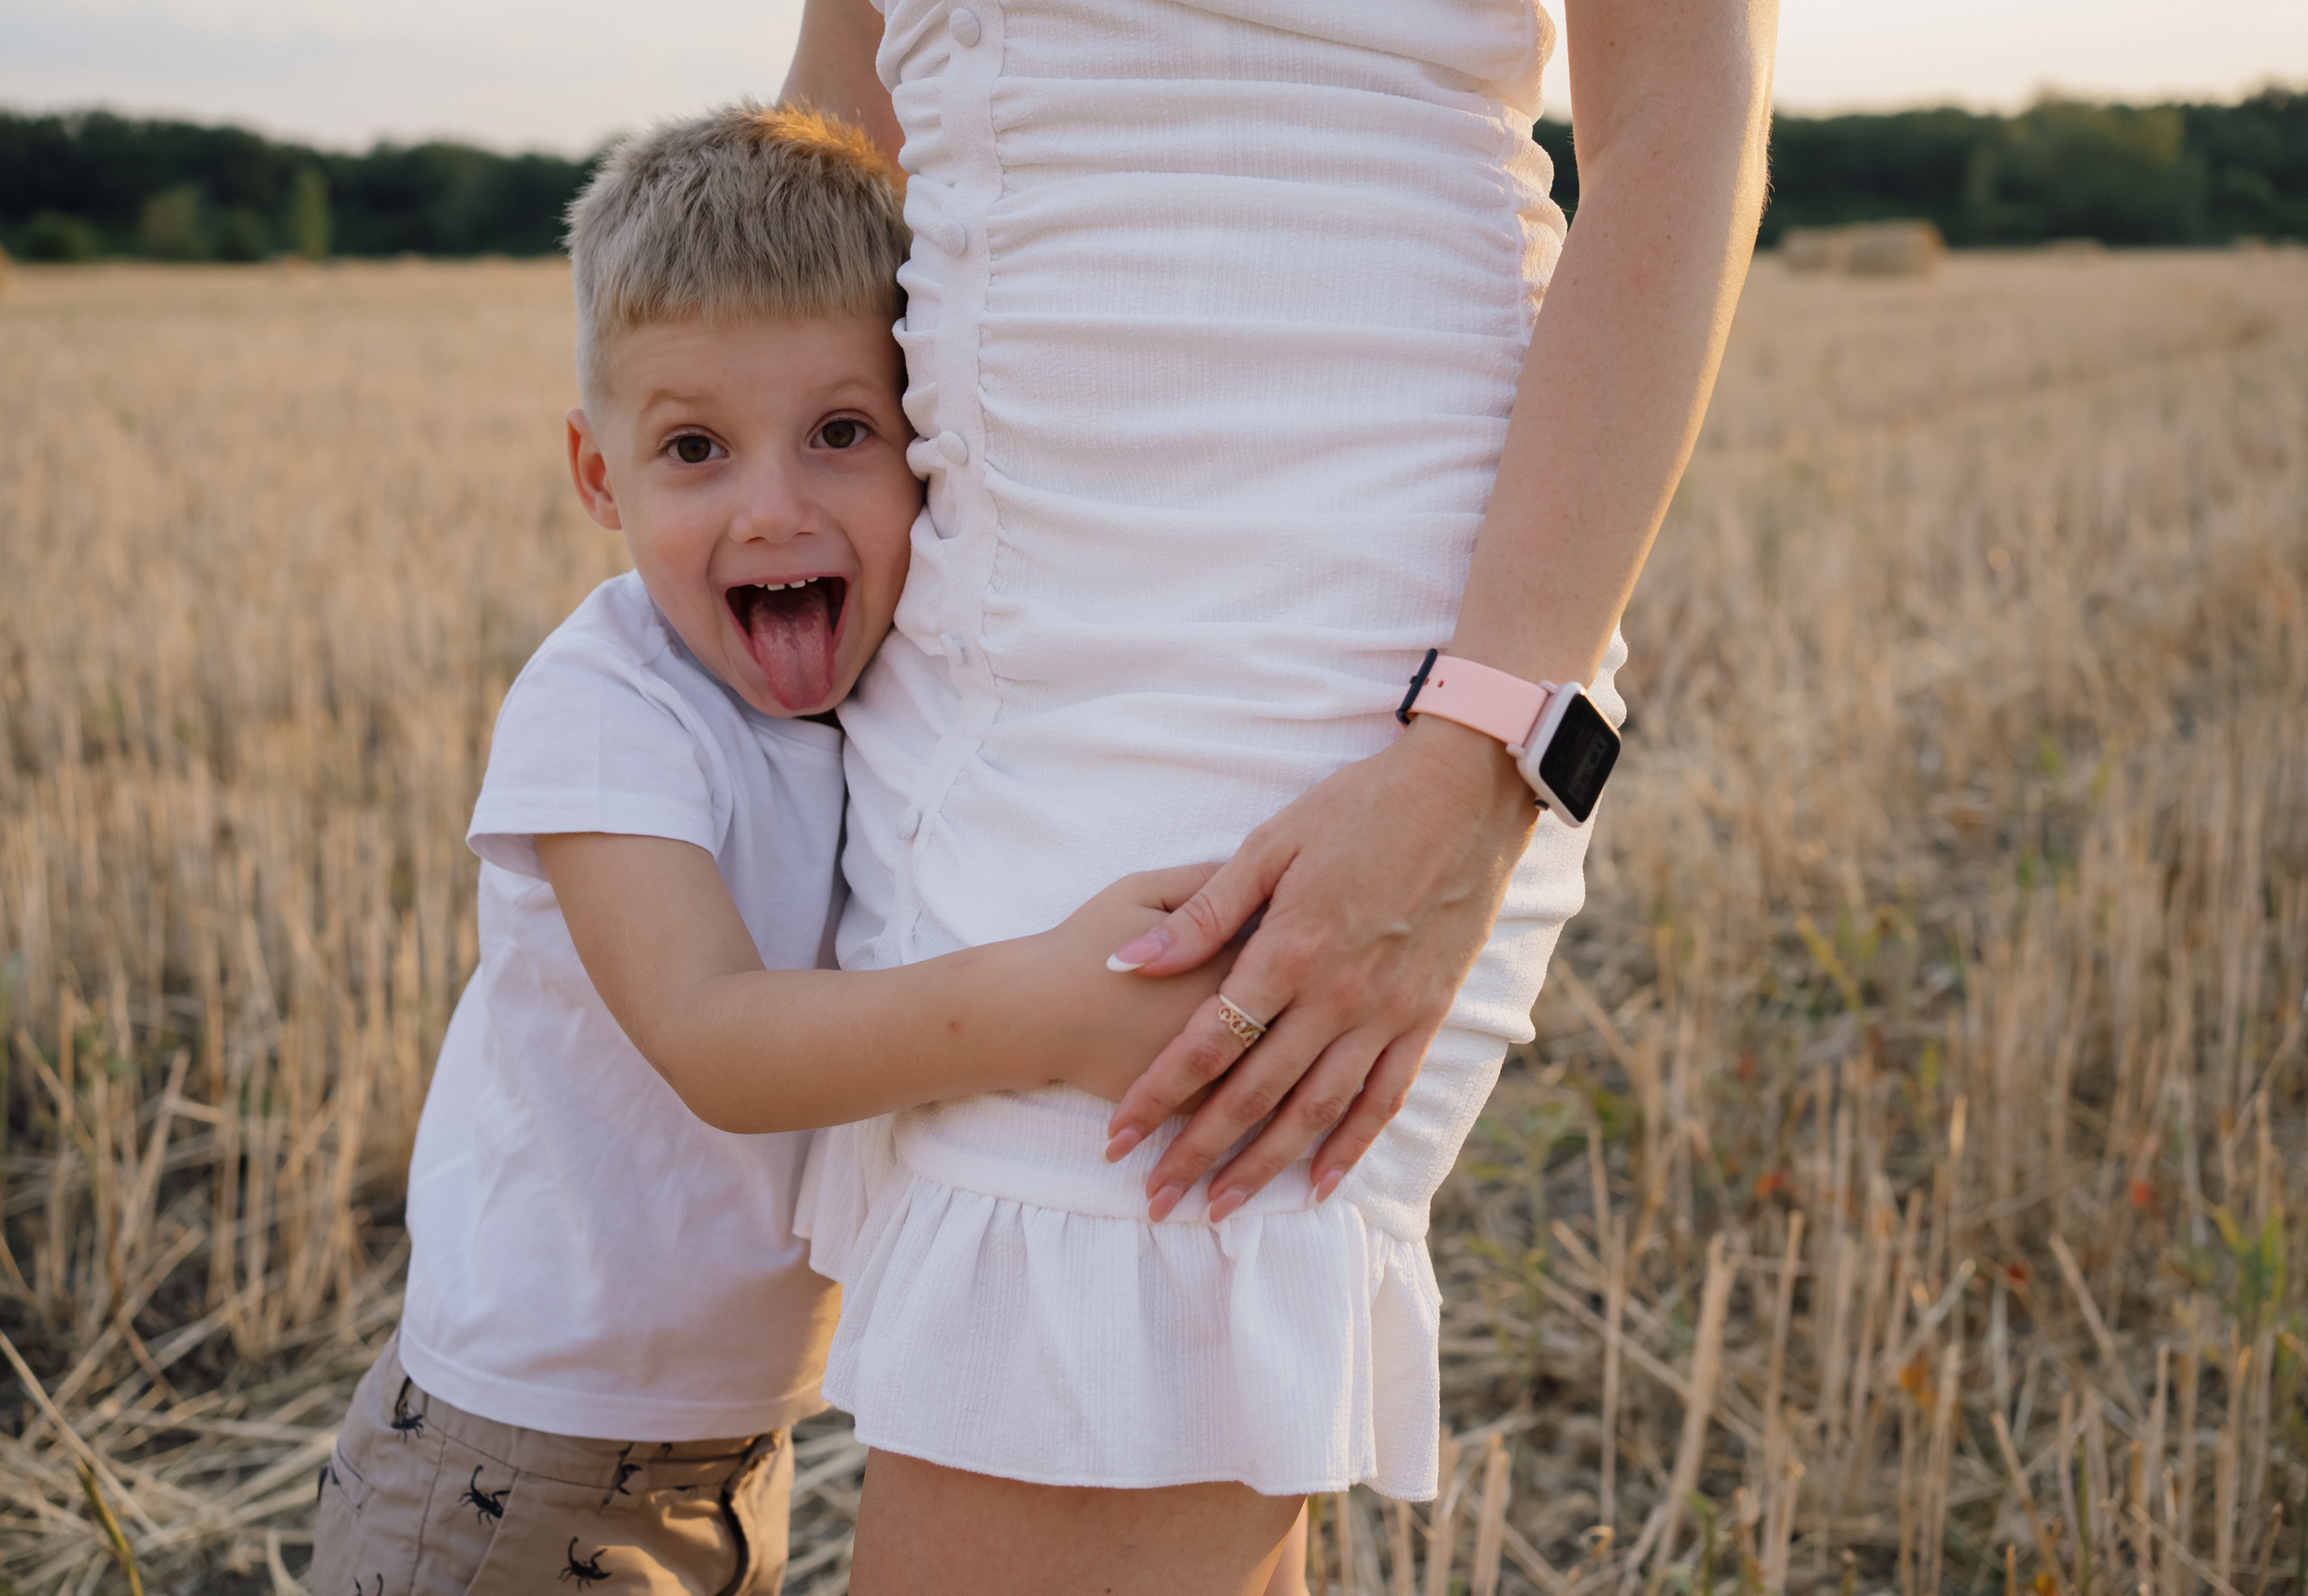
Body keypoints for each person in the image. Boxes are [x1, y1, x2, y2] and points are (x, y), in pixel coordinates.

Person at [778, 0, 1780, 1591]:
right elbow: (848, 87)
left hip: (1313, 636)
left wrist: (1485, 751)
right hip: (941, 624)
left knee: (1104, 1341)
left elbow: (1681, 111)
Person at [310, 105, 1234, 1596]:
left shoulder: (883, 697)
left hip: (731, 1437)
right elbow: (717, 1041)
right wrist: (1056, 1005)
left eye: (842, 434)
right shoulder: (607, 708)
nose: (774, 506)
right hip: (517, 1463)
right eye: (694, 448)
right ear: (597, 476)